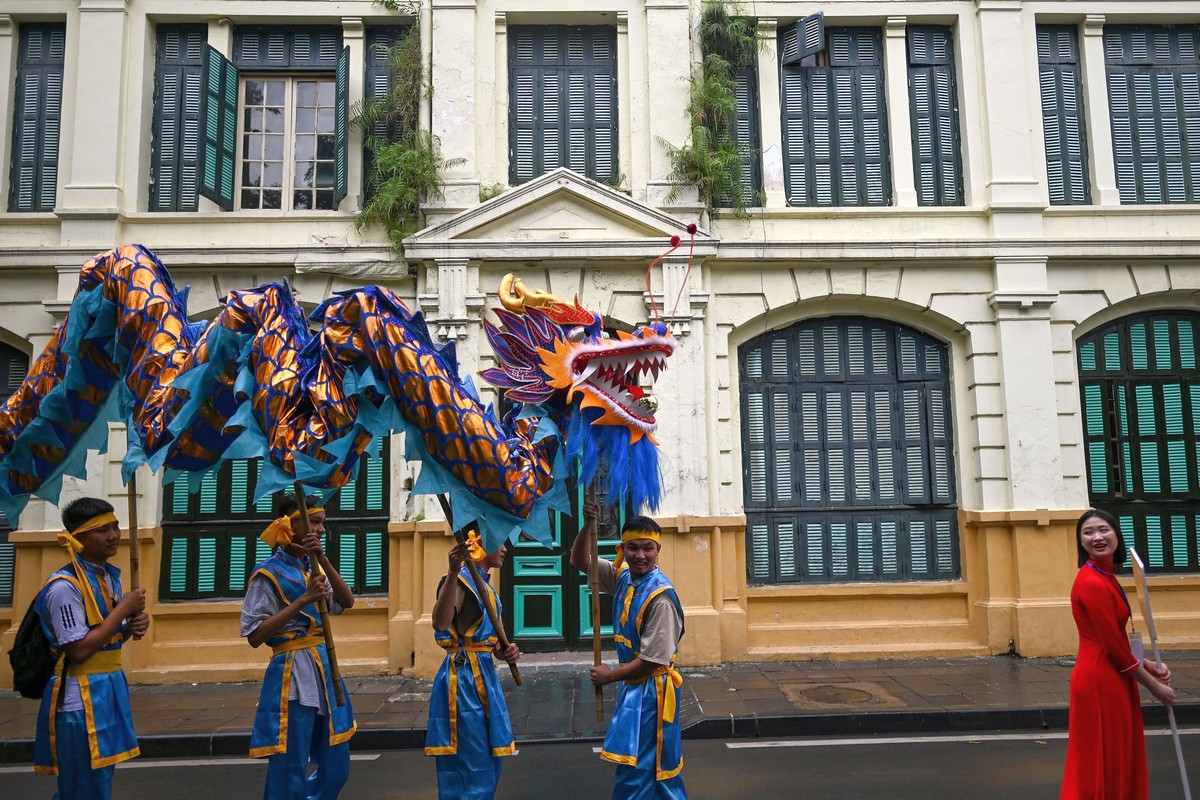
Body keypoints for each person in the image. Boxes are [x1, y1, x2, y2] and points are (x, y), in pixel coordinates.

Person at [32, 496, 149, 799]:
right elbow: (79, 650)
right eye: (102, 530)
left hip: (108, 688)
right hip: (78, 694)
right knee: (81, 784)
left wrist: (127, 629)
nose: (113, 536)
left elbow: (106, 637)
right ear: (79, 537)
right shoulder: (63, 587)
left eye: (115, 526)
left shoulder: (108, 576)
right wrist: (122, 612)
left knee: (100, 780)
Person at [241, 494, 356, 800]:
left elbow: (346, 602)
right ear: (286, 526)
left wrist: (325, 561)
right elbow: (255, 635)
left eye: (322, 523)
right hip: (291, 672)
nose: (319, 529)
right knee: (291, 764)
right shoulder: (267, 574)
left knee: (337, 763)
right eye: (313, 522)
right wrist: (303, 600)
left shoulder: (314, 569)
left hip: (323, 667)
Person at [571, 500, 686, 800]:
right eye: (633, 548)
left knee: (639, 774)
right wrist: (588, 524)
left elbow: (653, 659)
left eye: (648, 548)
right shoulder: (624, 578)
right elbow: (579, 560)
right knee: (654, 776)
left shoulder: (660, 597)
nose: (640, 555)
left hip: (653, 695)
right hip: (636, 691)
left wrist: (611, 675)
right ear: (623, 548)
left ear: (657, 550)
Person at [1060, 507, 1175, 800]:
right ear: (1080, 542)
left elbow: (1115, 638)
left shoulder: (1105, 574)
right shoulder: (1092, 582)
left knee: (1116, 754)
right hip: (1101, 679)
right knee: (1103, 758)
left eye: (1103, 530)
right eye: (1088, 532)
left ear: (1117, 536)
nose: (1097, 537)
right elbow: (1112, 648)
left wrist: (1147, 664)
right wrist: (1156, 688)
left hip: (1112, 673)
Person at [424, 531, 520, 799]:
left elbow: (486, 640)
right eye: (500, 541)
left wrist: (504, 651)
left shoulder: (486, 587)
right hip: (464, 680)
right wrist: (453, 572)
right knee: (470, 759)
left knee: (488, 762)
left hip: (483, 674)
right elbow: (441, 623)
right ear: (480, 544)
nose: (504, 549)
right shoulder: (461, 581)